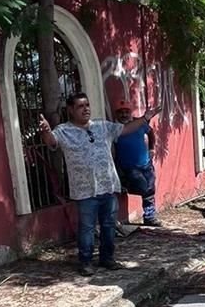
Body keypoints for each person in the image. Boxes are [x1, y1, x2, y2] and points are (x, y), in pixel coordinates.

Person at [39, 94, 161, 277]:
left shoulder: (102, 126)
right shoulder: (64, 131)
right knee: (87, 228)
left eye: (87, 105)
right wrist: (45, 131)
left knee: (108, 225)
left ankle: (107, 258)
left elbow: (126, 129)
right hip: (85, 191)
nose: (86, 109)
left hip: (108, 186)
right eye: (80, 106)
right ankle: (86, 262)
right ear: (71, 109)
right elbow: (51, 142)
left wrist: (145, 118)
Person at [113, 99, 161, 226]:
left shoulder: (138, 124)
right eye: (120, 112)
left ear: (130, 112)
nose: (124, 115)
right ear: (116, 114)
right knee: (143, 188)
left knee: (150, 190)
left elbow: (151, 133)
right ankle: (125, 186)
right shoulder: (114, 129)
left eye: (126, 112)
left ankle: (150, 218)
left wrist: (151, 149)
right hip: (129, 168)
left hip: (146, 164)